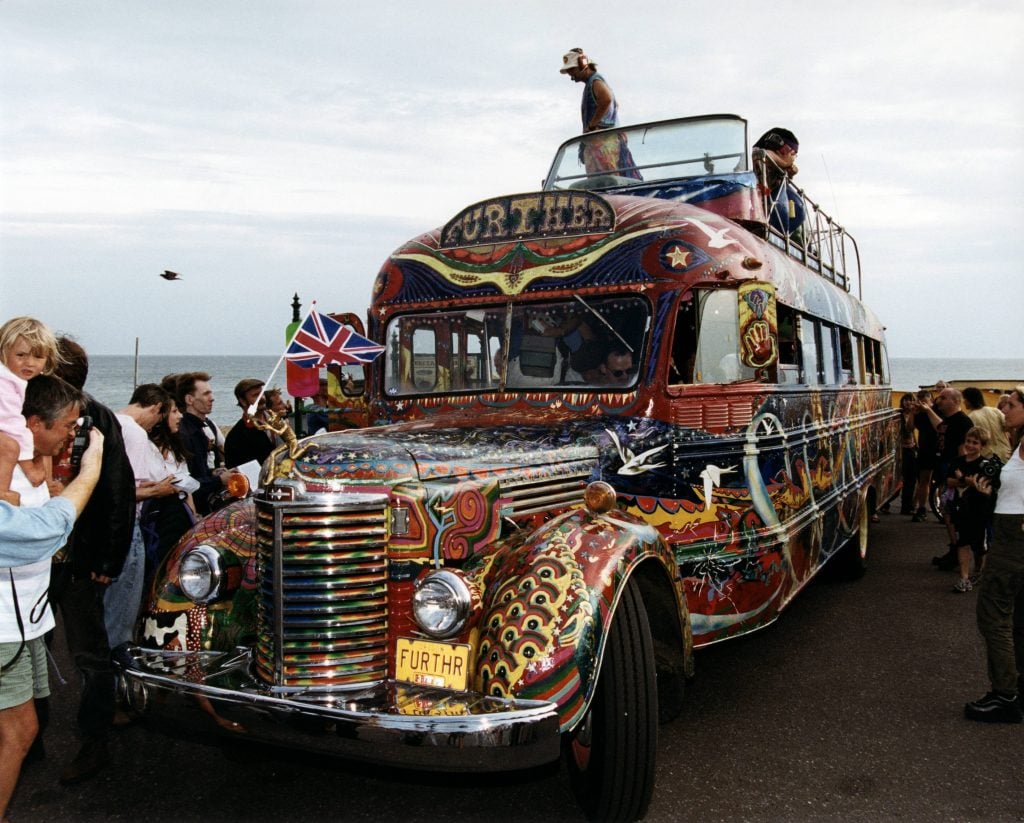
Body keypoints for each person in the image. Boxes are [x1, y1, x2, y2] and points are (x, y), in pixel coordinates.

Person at [0, 417, 104, 821]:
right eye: (65, 424)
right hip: (6, 625)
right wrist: (91, 468)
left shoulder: (26, 459)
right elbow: (39, 533)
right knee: (18, 730)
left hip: (23, 619)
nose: (69, 436)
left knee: (22, 728)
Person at [50, 337, 136, 784]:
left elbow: (119, 489)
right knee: (30, 650)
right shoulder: (20, 411)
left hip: (80, 557)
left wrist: (110, 555)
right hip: (34, 557)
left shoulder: (98, 417)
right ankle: (27, 738)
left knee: (89, 652)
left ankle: (94, 741)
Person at [964, 385, 1024, 723]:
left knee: (993, 614)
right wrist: (992, 491)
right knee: (1017, 617)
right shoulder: (1016, 442)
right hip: (1012, 527)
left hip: (1014, 537)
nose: (1004, 410)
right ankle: (1016, 689)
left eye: (1011, 405)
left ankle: (1005, 696)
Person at [107, 385, 177, 649]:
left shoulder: (112, 420)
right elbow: (128, 490)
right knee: (124, 605)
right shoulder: (135, 432)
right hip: (127, 524)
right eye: (159, 418)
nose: (154, 427)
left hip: (107, 524)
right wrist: (159, 489)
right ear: (157, 408)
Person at [0, 316, 62, 504]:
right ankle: (2, 492)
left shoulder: (16, 379)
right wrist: (29, 467)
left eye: (38, 357)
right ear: (3, 352)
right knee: (10, 446)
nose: (29, 363)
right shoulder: (5, 382)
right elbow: (12, 425)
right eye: (21, 355)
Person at [558, 48, 640, 179]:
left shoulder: (596, 81)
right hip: (603, 142)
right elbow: (615, 104)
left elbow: (606, 99)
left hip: (603, 144)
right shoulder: (594, 82)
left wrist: (592, 126)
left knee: (606, 181)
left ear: (583, 64)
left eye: (572, 71)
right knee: (603, 180)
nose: (571, 76)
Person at [144, 401, 198, 579]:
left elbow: (187, 488)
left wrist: (194, 519)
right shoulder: (146, 448)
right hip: (158, 519)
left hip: (179, 515)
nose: (180, 416)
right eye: (174, 411)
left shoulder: (176, 449)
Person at [947, 427, 1001, 593]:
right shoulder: (957, 461)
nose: (970, 445)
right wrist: (966, 481)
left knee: (979, 546)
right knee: (963, 542)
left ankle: (979, 571)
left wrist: (962, 479)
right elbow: (949, 481)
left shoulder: (985, 465)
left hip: (980, 511)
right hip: (962, 508)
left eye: (975, 443)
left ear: (982, 446)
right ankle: (964, 577)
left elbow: (984, 486)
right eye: (968, 441)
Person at [175, 372, 231, 515]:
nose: (212, 398)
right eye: (206, 394)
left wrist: (213, 472)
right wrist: (219, 480)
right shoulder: (184, 433)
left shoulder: (202, 427)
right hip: (193, 509)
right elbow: (187, 480)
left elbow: (199, 470)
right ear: (189, 399)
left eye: (211, 393)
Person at [752, 128, 803, 238]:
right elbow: (761, 153)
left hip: (771, 214)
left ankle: (781, 235)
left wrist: (790, 173)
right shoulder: (760, 155)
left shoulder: (777, 167)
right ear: (784, 150)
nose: (794, 158)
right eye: (794, 154)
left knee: (798, 205)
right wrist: (784, 162)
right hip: (755, 208)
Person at [224, 378, 275, 469]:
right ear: (243, 401)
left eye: (262, 393)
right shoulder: (237, 437)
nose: (262, 398)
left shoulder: (277, 421)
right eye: (256, 395)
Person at [963, 386, 1011, 463]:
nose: (964, 402)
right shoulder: (995, 411)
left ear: (969, 400)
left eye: (964, 399)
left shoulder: (970, 417)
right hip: (1005, 454)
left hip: (986, 457)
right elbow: (1009, 427)